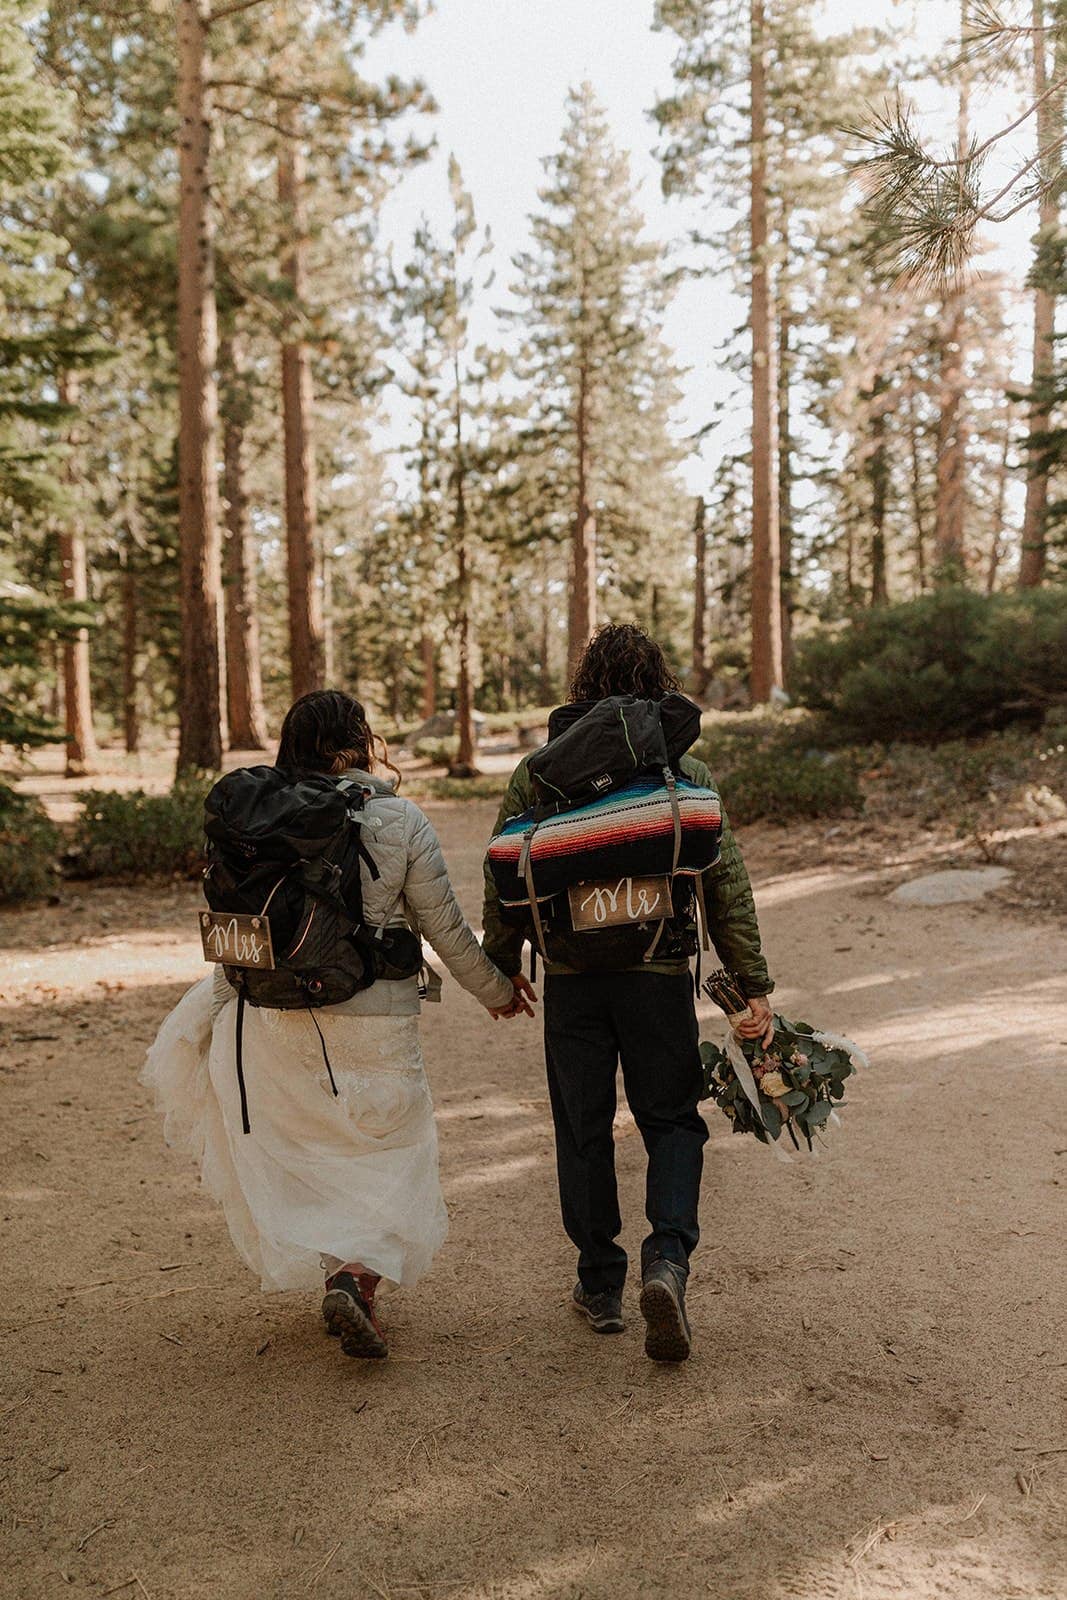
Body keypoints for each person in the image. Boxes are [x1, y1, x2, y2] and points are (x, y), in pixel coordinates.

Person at [142, 690, 526, 1362]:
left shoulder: (253, 820)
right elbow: (443, 928)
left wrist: (218, 1005)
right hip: (371, 1017)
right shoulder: (398, 818)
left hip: (268, 1016)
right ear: (357, 743)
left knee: (314, 1152)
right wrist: (495, 990)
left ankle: (343, 1278)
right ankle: (355, 1278)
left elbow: (243, 933)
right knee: (391, 1152)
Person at [482, 624, 774, 1363]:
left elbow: (504, 876)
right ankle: (666, 1261)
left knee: (581, 1128)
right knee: (671, 1120)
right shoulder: (685, 767)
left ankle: (599, 1285)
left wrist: (501, 965)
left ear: (583, 685)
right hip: (656, 975)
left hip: (573, 981)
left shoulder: (536, 773)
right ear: (656, 682)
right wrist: (749, 989)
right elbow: (724, 886)